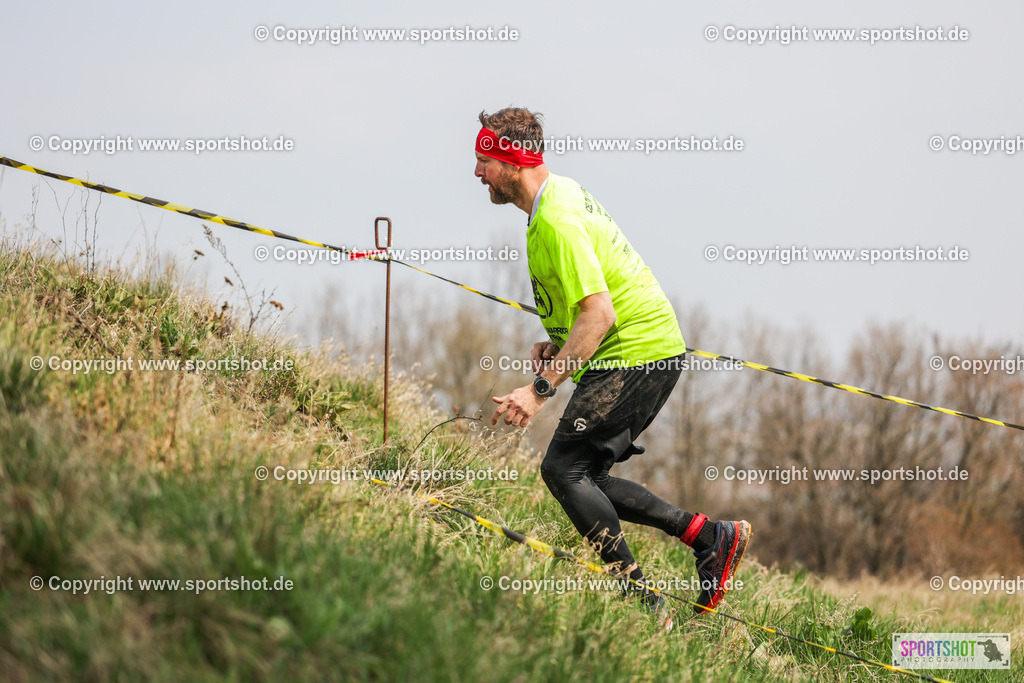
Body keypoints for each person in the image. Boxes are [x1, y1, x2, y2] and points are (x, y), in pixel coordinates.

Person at [478, 107, 750, 618]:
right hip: (643, 351)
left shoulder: (555, 219)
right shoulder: (554, 202)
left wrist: (539, 389)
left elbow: (598, 315)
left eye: (482, 160)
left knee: (563, 469)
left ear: (510, 159)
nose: (476, 173)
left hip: (636, 354)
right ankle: (710, 536)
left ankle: (644, 603)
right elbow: (587, 306)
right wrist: (557, 343)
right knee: (587, 476)